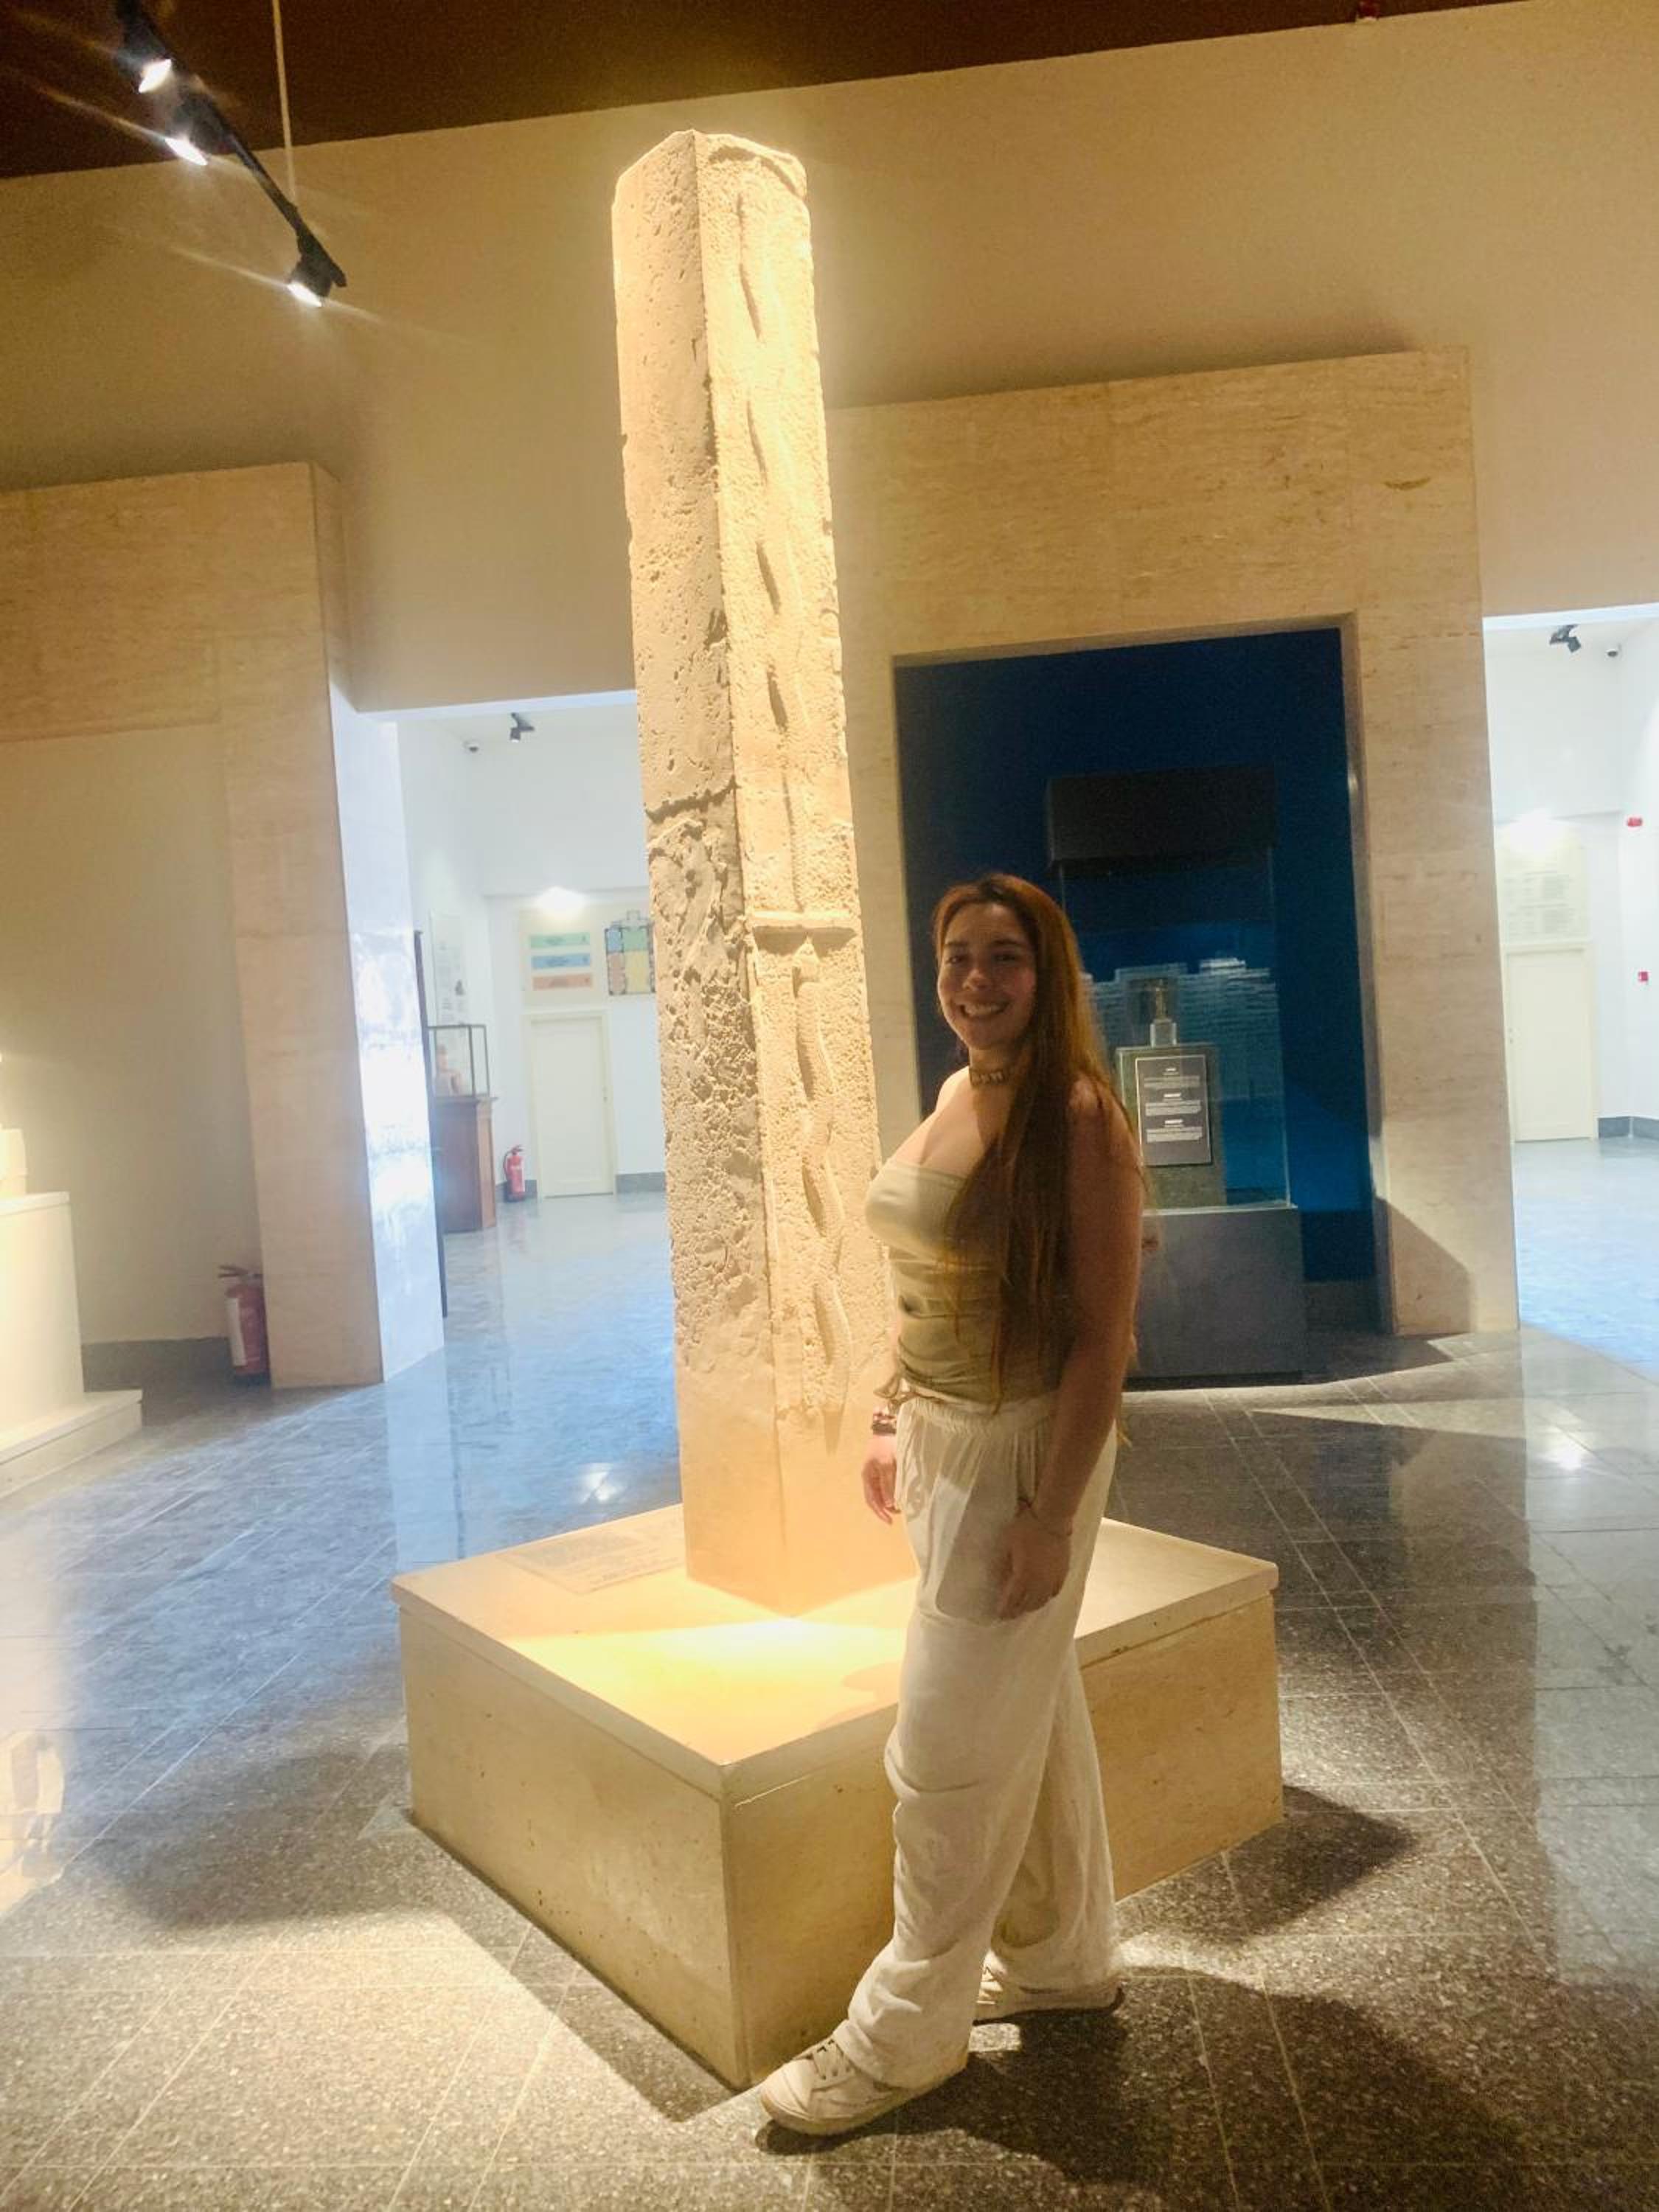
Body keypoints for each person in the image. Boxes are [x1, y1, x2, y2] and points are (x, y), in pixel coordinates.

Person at [759, 872, 1145, 2138]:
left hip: (1019, 1450)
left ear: (1049, 973)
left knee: (944, 1757)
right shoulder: (957, 1091)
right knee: (1029, 1708)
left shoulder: (1077, 1116)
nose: (975, 982)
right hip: (940, 1434)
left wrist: (1048, 1515)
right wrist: (888, 1413)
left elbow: (1102, 1340)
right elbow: (922, 1276)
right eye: (956, 957)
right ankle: (1062, 1957)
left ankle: (904, 2035)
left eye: (1003, 958)